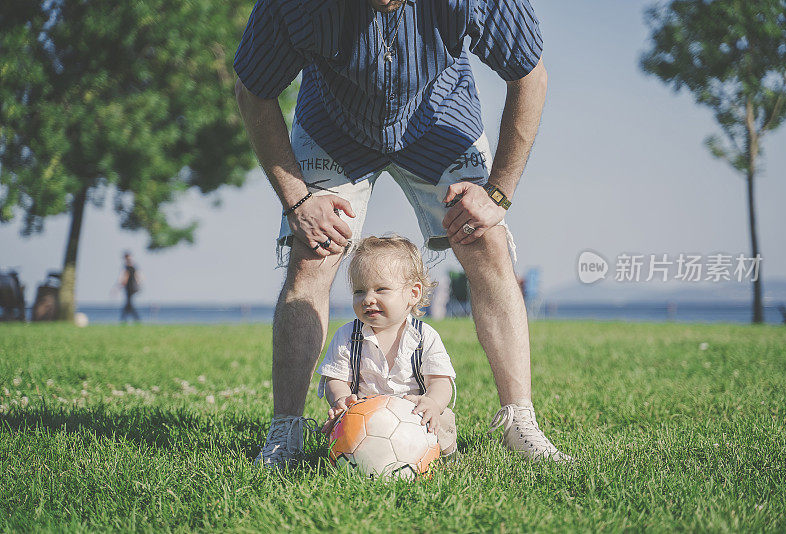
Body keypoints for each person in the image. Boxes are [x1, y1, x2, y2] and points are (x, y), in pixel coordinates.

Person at [235, 0, 572, 467]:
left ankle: (519, 421)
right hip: (333, 123)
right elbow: (252, 91)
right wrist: (297, 200)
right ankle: (286, 432)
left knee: (486, 241)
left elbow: (530, 76)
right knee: (312, 252)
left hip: (440, 116)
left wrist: (497, 194)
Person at [311, 236, 457, 460]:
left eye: (381, 289)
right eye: (359, 291)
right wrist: (342, 399)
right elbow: (337, 380)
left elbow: (441, 381)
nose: (368, 299)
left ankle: (443, 457)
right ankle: (355, 458)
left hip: (414, 416)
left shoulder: (424, 336)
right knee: (338, 424)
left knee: (443, 418)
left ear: (413, 293)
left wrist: (432, 402)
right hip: (365, 418)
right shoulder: (346, 336)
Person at [118, 252, 141, 322]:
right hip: (128, 287)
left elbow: (136, 276)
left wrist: (138, 284)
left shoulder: (131, 266)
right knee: (129, 303)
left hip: (131, 287)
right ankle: (133, 318)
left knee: (129, 303)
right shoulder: (128, 266)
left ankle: (126, 318)